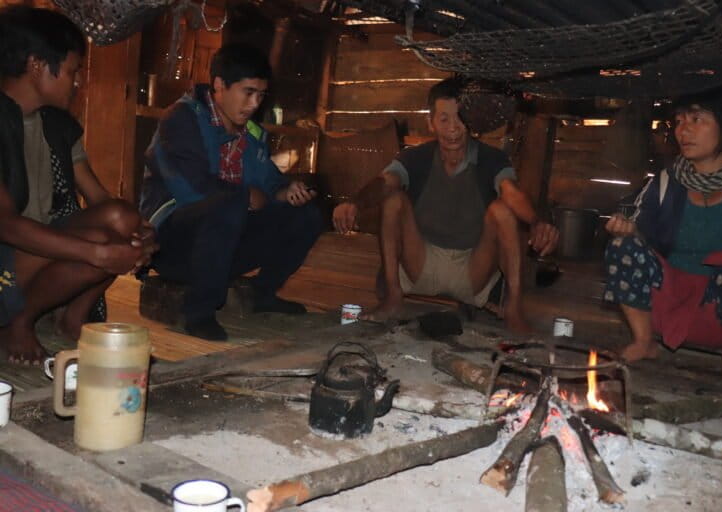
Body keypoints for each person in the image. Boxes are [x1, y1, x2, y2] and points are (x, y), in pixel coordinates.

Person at [332, 78, 558, 331]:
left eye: (460, 119)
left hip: (473, 270)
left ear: (470, 121)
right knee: (393, 200)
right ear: (431, 123)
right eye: (444, 119)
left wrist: (537, 222)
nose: (453, 128)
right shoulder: (416, 158)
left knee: (503, 210)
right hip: (420, 264)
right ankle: (393, 298)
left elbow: (512, 193)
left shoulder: (492, 158)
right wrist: (355, 202)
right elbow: (385, 182)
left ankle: (514, 309)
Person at [0, 6, 156, 364]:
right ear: (38, 66)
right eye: (72, 71)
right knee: (100, 244)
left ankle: (73, 320)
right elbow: (6, 224)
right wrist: (97, 253)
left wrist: (140, 234)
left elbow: (101, 201)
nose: (77, 82)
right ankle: (17, 323)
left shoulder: (57, 125)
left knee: (121, 222)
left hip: (34, 250)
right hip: (7, 256)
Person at [140, 43, 322, 341]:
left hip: (224, 242)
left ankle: (262, 294)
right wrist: (246, 197)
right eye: (248, 92)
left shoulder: (251, 133)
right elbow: (191, 189)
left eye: (260, 95)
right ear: (220, 85)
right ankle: (199, 311)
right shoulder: (182, 118)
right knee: (230, 202)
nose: (254, 103)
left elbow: (268, 183)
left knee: (306, 215)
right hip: (171, 244)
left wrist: (286, 192)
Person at [604, 86, 722, 400]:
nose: (684, 130)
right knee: (623, 248)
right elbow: (644, 244)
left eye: (697, 119)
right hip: (669, 300)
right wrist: (628, 232)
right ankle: (643, 341)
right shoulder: (665, 182)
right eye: (679, 121)